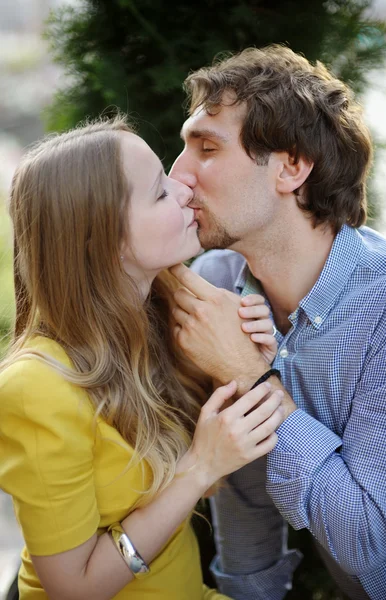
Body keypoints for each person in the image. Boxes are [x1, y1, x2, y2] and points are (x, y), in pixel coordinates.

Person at [0, 116, 286, 600]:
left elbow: (220, 452)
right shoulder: (35, 389)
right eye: (157, 192)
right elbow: (73, 590)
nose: (182, 187)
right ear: (103, 241)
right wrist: (199, 467)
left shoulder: (165, 314)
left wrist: (248, 363)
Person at [169, 45, 386, 600]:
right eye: (183, 149)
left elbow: (368, 538)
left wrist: (253, 380)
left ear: (292, 167)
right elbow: (245, 489)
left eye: (206, 148)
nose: (178, 176)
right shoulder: (219, 277)